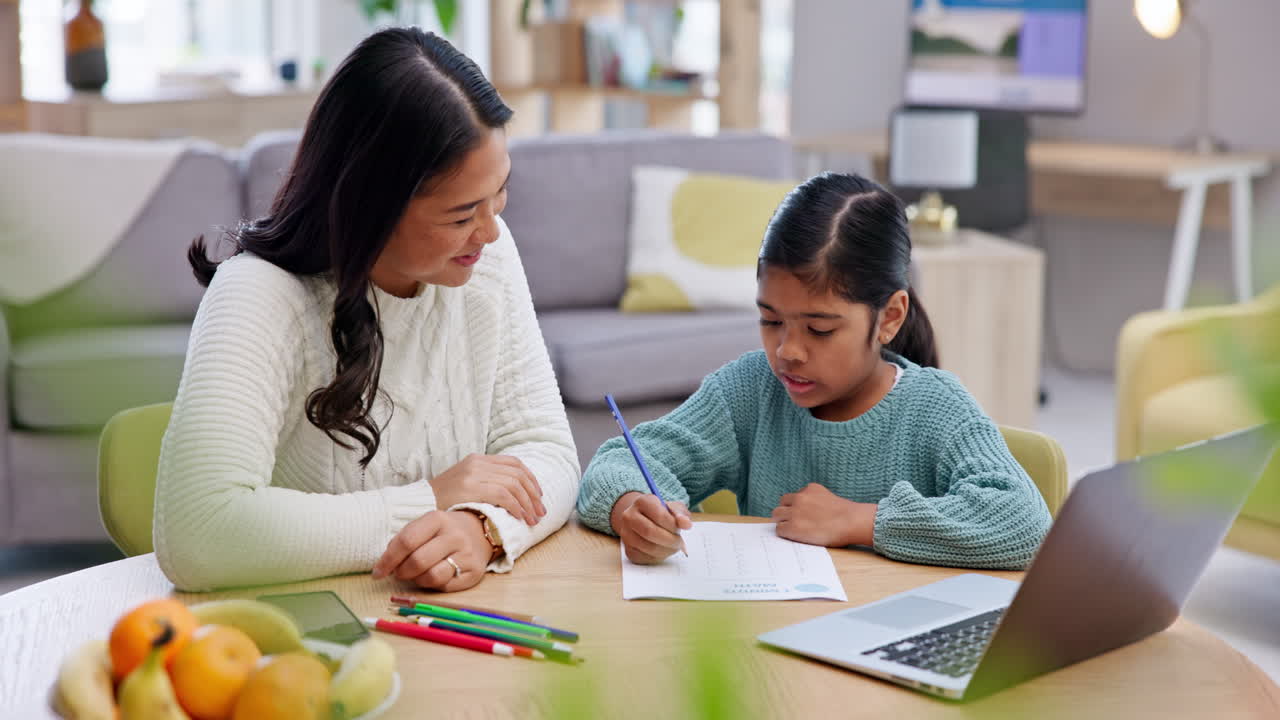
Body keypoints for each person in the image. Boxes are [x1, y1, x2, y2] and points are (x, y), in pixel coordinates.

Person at [154, 27, 579, 592]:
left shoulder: (487, 261)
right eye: (461, 215)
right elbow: (199, 533)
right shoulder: (258, 294)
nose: (490, 231)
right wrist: (430, 501)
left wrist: (479, 528)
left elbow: (548, 453)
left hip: (438, 616)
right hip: (299, 623)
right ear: (369, 205)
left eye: (498, 194)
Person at [576, 172, 1051, 569]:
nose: (788, 351)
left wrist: (860, 521)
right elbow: (615, 463)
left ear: (889, 317)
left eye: (820, 329)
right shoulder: (749, 391)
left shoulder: (934, 408)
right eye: (770, 320)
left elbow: (1025, 523)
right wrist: (633, 507)